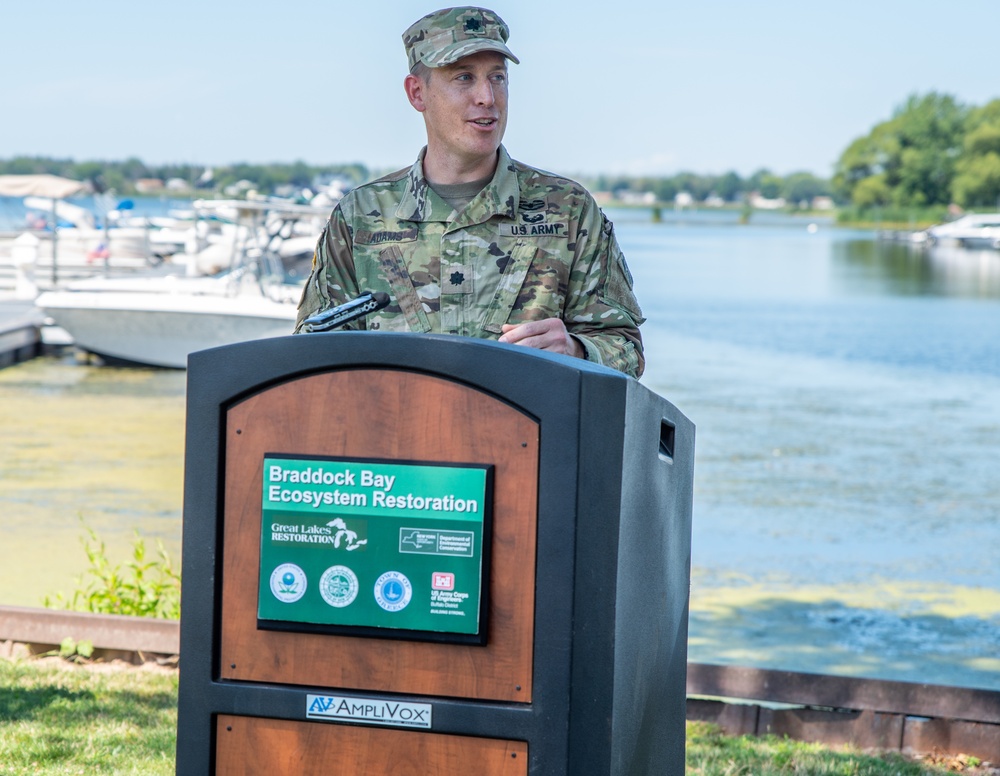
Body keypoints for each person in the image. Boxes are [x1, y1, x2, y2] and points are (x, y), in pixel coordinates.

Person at [294, 6, 645, 377]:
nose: (487, 97)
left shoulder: (569, 210)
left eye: (497, 77)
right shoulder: (360, 215)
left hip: (527, 432)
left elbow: (626, 350)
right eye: (464, 77)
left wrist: (577, 350)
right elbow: (310, 352)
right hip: (394, 429)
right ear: (417, 93)